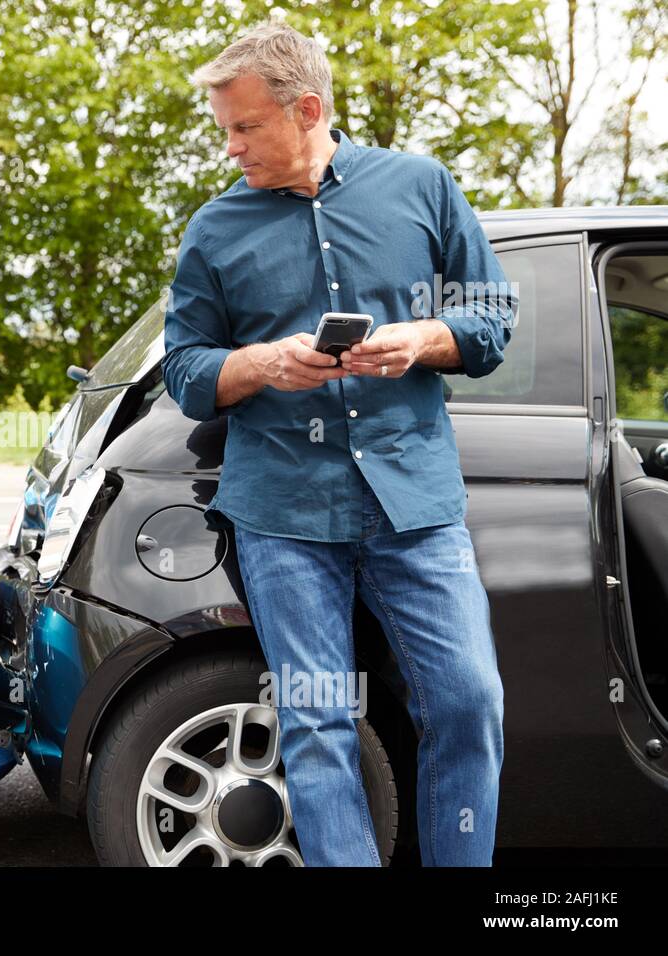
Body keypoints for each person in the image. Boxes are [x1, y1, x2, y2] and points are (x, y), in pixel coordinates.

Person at [161, 21, 516, 866]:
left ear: (306, 109)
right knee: (319, 720)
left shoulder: (422, 187)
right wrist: (261, 363)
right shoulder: (214, 230)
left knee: (469, 700)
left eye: (245, 127)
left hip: (415, 505)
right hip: (282, 514)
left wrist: (422, 340)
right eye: (226, 130)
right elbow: (184, 369)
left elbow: (491, 321)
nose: (231, 147)